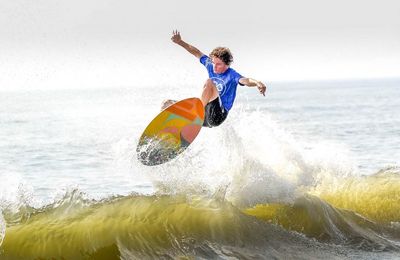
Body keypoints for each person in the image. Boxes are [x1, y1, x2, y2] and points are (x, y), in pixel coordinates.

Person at [162, 30, 267, 128]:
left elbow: (246, 80)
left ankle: (195, 113)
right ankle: (166, 129)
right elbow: (197, 52)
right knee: (167, 104)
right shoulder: (211, 65)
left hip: (218, 116)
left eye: (218, 64)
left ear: (227, 65)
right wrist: (180, 42)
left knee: (209, 82)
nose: (214, 67)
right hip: (205, 116)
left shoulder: (232, 75)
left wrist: (257, 82)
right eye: (213, 63)